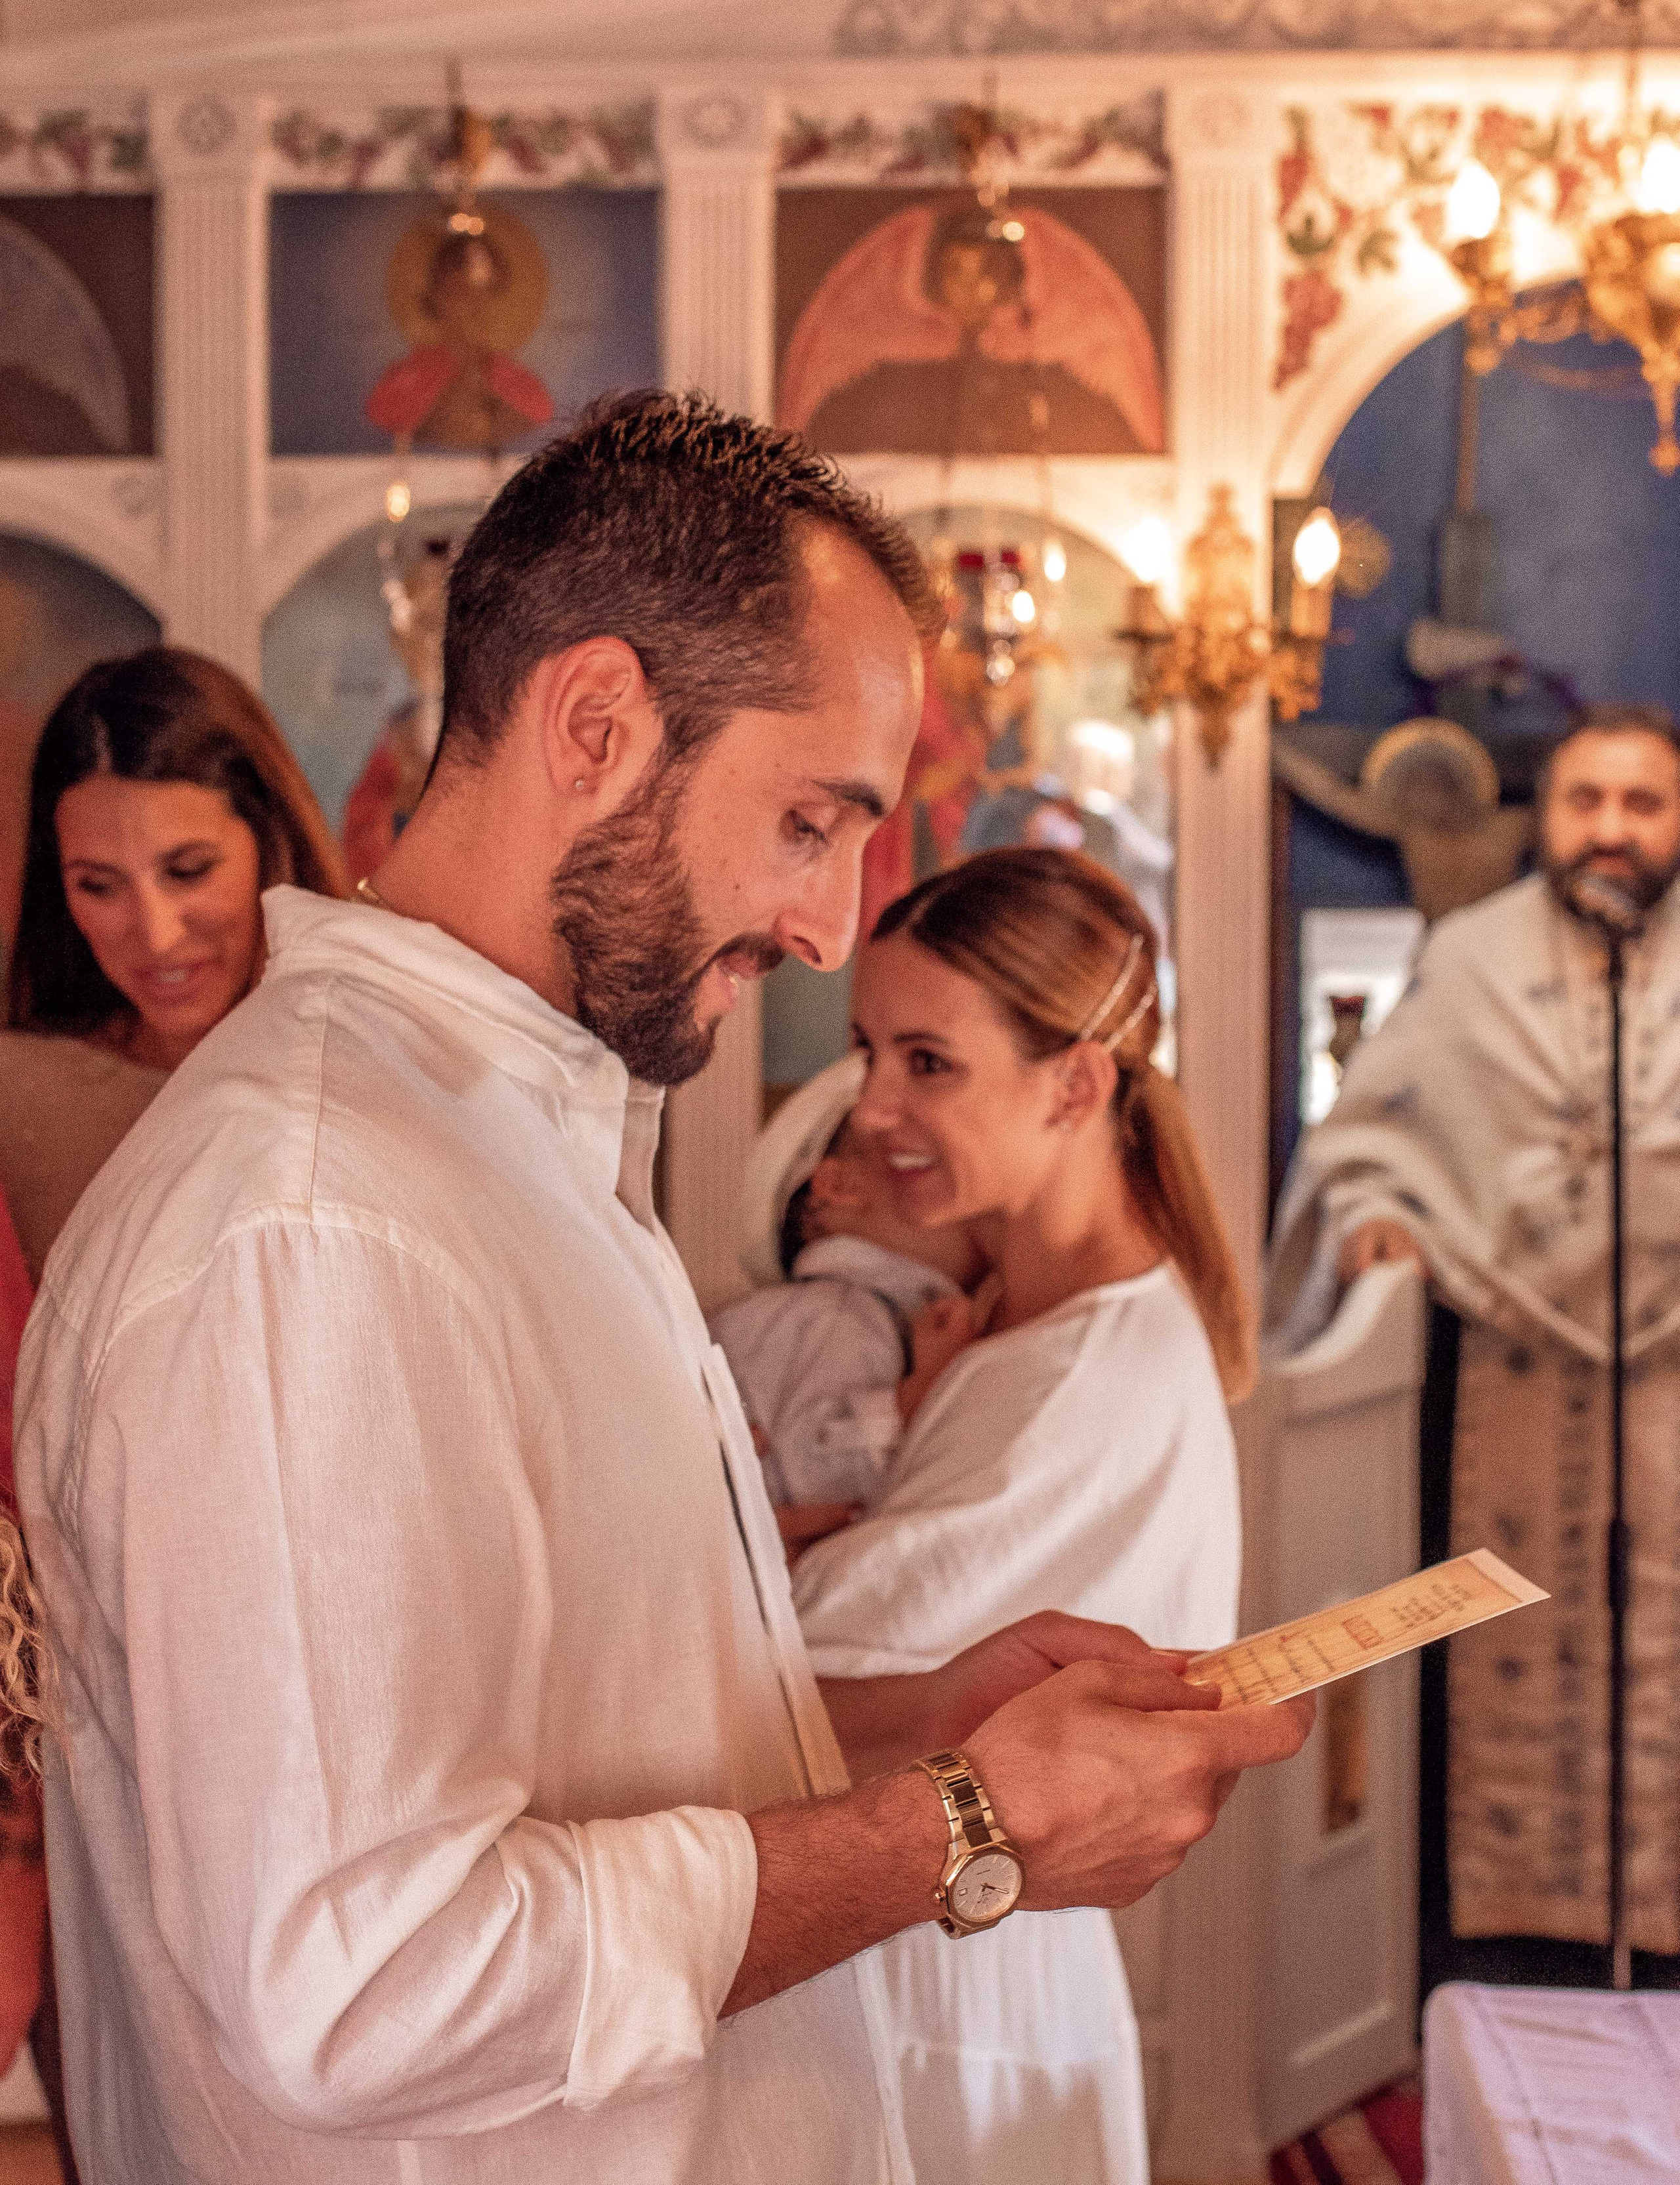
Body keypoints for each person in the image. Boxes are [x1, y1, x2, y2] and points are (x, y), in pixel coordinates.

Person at [14, 392, 1309, 2185]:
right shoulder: (316, 1222)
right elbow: (366, 1982)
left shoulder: (509, 1151)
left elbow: (577, 1734)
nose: (830, 927)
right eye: (810, 821)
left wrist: (914, 1719)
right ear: (598, 723)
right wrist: (957, 1824)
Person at [791, 845, 1250, 2184]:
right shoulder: (1000, 1310)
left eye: (927, 1063)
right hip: (913, 1961)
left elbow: (782, 1692)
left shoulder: (1082, 1381)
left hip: (947, 1993)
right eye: (868, 1051)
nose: (871, 1107)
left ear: (1075, 1085)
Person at [1267, 703, 1680, 1991]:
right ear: (1542, 816)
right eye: (1584, 800)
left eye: (1642, 803)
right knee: (1509, 1637)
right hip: (1507, 1368)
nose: (1610, 828)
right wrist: (1376, 1216)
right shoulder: (1473, 957)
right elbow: (1370, 1136)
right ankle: (1515, 1943)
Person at [0, 643, 346, 2178]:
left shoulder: (368, 1057)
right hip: (96, 1695)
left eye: (188, 869)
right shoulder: (25, 1095)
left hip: (338, 1669)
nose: (150, 930)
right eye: (96, 884)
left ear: (269, 834)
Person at [710, 1050, 988, 1535]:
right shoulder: (835, 1317)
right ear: (839, 1184)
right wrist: (917, 1397)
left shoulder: (841, 1318)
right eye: (921, 1165)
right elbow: (827, 1494)